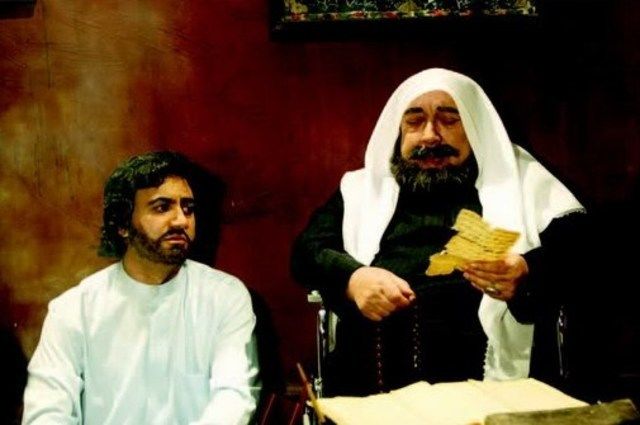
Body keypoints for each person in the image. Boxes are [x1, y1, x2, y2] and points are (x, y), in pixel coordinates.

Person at [291, 68, 588, 396]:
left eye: (449, 120)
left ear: (475, 128)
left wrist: (526, 270)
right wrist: (353, 278)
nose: (430, 136)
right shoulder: (362, 189)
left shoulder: (518, 180)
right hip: (376, 382)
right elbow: (308, 251)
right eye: (415, 121)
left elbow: (584, 250)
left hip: (491, 386)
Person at [22, 151, 259, 424]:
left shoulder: (225, 297)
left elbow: (234, 398)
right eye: (162, 207)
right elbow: (46, 413)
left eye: (188, 208)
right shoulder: (75, 310)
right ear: (123, 224)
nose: (181, 221)